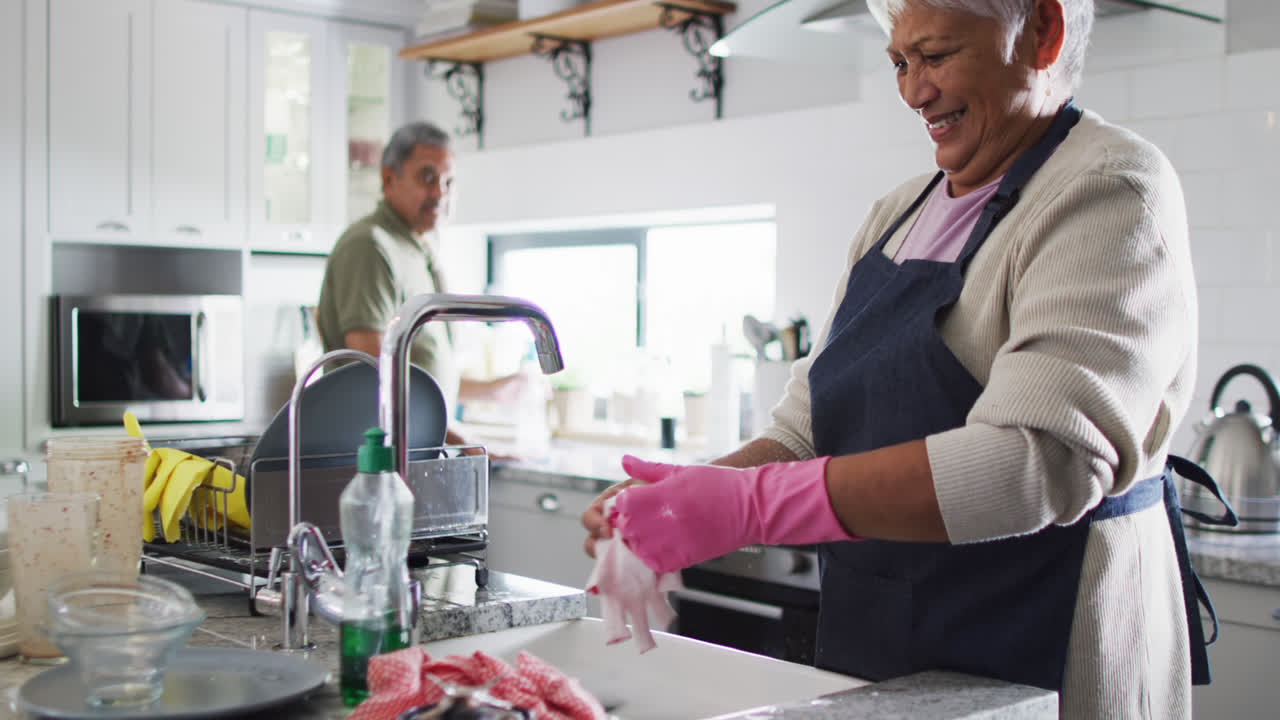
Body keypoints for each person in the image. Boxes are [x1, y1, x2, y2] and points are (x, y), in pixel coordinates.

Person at [580, 1, 1236, 718]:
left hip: (1045, 647)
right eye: (900, 61)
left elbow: (1038, 462)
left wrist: (751, 506)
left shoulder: (1108, 187)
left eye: (937, 54)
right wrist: (680, 496)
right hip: (881, 645)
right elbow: (805, 434)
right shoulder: (894, 216)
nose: (913, 91)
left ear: (1041, 32)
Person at [317, 121, 524, 447]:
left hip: (415, 447)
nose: (440, 193)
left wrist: (491, 391)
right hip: (379, 455)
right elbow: (375, 368)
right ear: (389, 179)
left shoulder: (417, 248)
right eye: (427, 178)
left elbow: (420, 370)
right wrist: (458, 437)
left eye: (449, 182)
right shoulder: (370, 246)